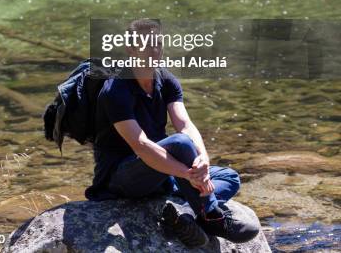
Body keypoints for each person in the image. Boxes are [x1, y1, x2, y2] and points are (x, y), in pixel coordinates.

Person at [85, 19, 259, 247]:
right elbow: (141, 145)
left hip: (161, 169)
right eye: (146, 44)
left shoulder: (165, 80)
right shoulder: (115, 90)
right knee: (179, 144)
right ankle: (210, 214)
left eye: (157, 43)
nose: (154, 50)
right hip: (123, 178)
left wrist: (203, 162)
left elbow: (185, 124)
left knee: (229, 177)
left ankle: (182, 215)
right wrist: (188, 174)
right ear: (130, 49)